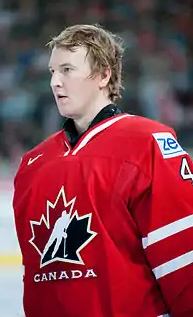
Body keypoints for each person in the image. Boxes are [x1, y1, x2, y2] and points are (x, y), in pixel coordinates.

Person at [13, 24, 193, 317]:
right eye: (52, 72)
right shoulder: (33, 164)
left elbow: (183, 261)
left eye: (67, 70)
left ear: (103, 74)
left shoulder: (148, 144)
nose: (55, 82)